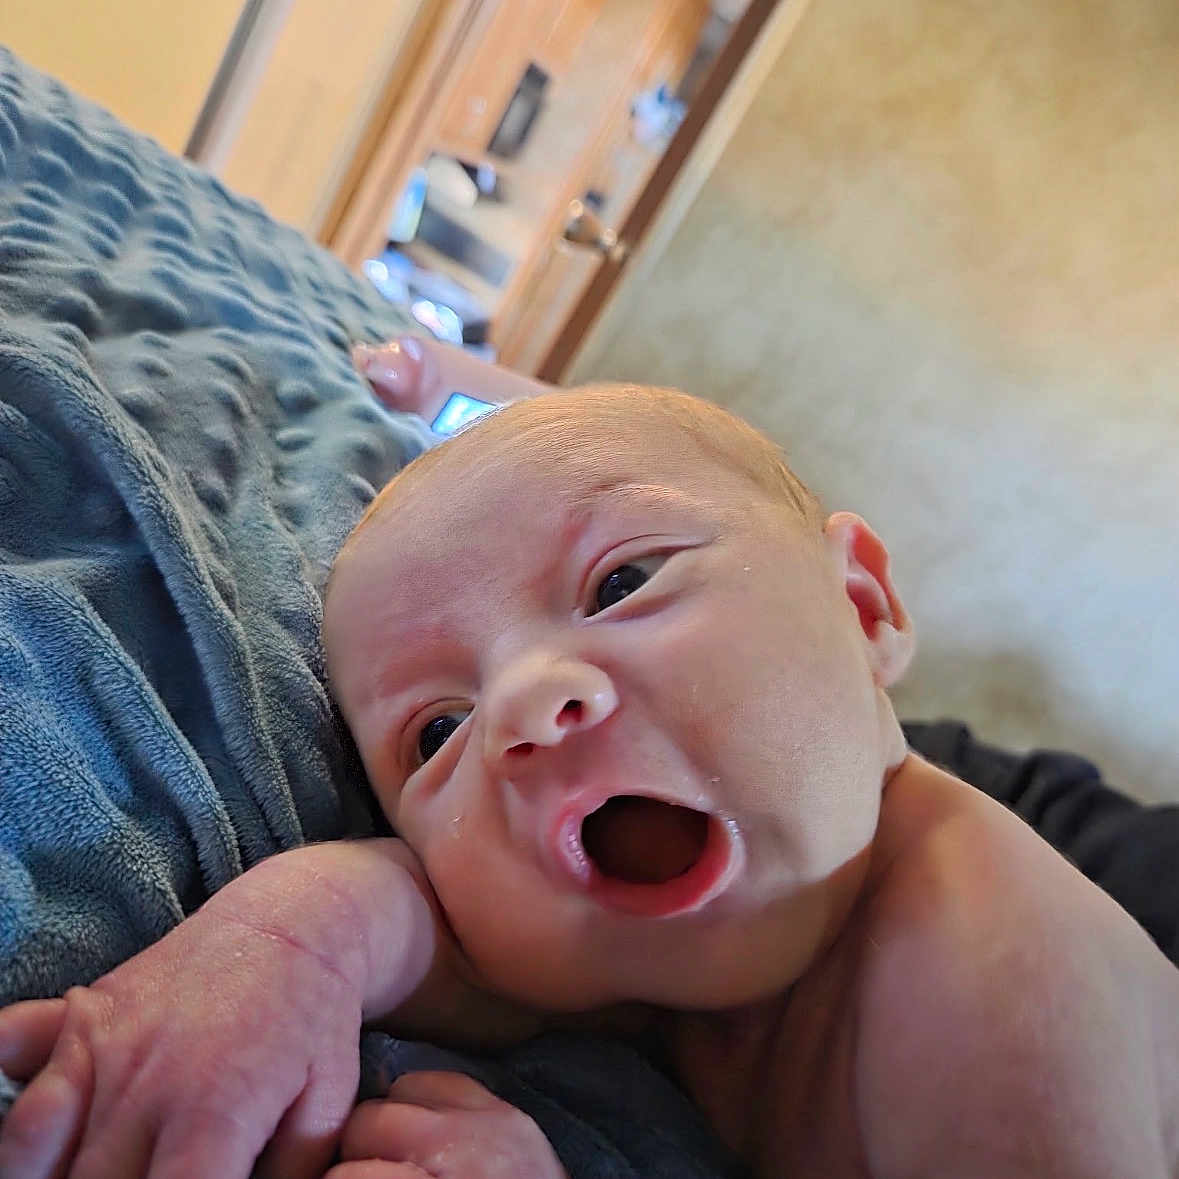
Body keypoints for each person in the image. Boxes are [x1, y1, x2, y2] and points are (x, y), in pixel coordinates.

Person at [2, 383, 1178, 1179]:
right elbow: (455, 934)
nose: (520, 704)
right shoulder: (656, 915)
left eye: (621, 585)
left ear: (860, 606)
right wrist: (280, 949)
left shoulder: (993, 977)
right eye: (438, 732)